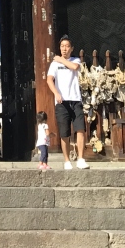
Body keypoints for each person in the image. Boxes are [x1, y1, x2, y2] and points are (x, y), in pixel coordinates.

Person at [46, 34, 88, 170]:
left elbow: (75, 67)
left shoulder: (76, 60)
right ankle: (67, 160)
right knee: (64, 132)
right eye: (62, 46)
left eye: (67, 46)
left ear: (71, 48)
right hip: (61, 102)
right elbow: (49, 79)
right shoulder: (54, 64)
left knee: (80, 129)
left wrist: (60, 59)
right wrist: (56, 93)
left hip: (75, 100)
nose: (64, 49)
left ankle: (81, 158)